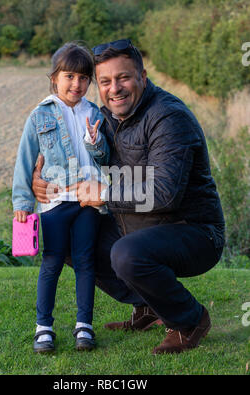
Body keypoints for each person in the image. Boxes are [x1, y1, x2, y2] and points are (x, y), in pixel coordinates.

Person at [32, 39, 225, 354]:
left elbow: (164, 192)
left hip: (194, 230)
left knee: (127, 253)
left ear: (143, 77)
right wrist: (40, 181)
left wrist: (104, 194)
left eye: (123, 78)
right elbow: (81, 162)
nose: (114, 88)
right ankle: (149, 306)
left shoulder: (168, 117)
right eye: (105, 81)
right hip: (139, 226)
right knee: (66, 238)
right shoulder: (105, 118)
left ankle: (189, 319)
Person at [12, 43, 110, 353]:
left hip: (87, 203)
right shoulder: (39, 115)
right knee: (52, 262)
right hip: (54, 202)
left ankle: (85, 325)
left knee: (85, 262)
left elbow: (104, 156)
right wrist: (22, 203)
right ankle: (44, 327)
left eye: (84, 78)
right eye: (69, 76)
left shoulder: (94, 113)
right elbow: (25, 160)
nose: (76, 85)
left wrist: (94, 142)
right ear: (55, 77)